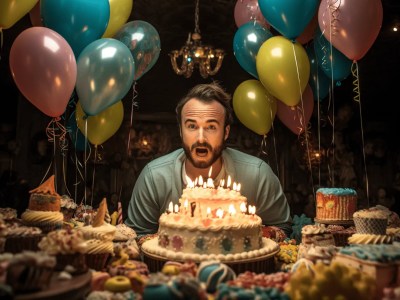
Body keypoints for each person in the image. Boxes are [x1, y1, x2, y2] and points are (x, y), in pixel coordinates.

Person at [125, 83, 292, 239]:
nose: (201, 138)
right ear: (181, 131)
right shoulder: (154, 177)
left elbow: (282, 228)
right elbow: (137, 236)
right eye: (192, 126)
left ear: (226, 132)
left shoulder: (257, 174)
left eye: (211, 127)